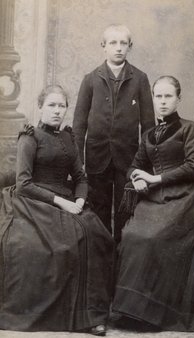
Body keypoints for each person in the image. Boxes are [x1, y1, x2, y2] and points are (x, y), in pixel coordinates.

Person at [112, 76, 194, 331]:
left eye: (168, 96)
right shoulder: (150, 134)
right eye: (158, 96)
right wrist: (136, 178)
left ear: (178, 99)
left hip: (185, 198)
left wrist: (154, 177)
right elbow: (134, 165)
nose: (162, 102)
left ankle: (155, 312)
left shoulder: (189, 128)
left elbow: (192, 168)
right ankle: (132, 311)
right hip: (154, 199)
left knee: (155, 239)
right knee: (131, 235)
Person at [0, 85, 114, 336]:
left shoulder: (67, 138)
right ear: (40, 107)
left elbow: (81, 177)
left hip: (69, 199)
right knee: (54, 246)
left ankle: (92, 315)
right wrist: (62, 202)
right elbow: (23, 184)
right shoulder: (29, 137)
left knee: (96, 235)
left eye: (61, 106)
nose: (57, 111)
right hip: (34, 200)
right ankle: (57, 315)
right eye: (51, 105)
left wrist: (80, 201)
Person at [73, 24, 155, 244]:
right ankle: (100, 259)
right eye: (113, 43)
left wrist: (143, 164)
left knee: (125, 210)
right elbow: (79, 125)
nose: (118, 48)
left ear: (130, 46)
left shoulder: (140, 78)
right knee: (97, 211)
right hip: (96, 158)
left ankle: (121, 259)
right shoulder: (90, 79)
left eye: (123, 43)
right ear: (103, 46)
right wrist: (77, 161)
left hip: (128, 160)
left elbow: (149, 126)